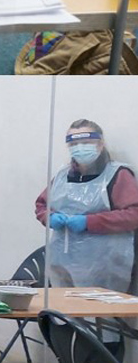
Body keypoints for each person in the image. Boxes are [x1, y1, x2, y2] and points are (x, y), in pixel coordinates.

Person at [35, 119, 138, 295]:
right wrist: (49, 217)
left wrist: (89, 222)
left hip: (105, 266)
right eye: (74, 144)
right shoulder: (62, 176)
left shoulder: (117, 174)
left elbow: (133, 215)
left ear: (100, 144)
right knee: (64, 309)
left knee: (99, 311)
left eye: (86, 142)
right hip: (63, 262)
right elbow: (42, 204)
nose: (80, 148)